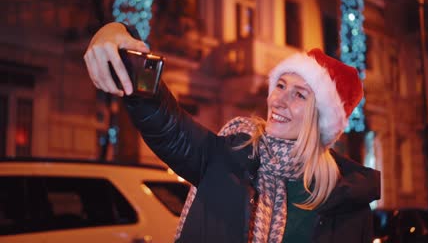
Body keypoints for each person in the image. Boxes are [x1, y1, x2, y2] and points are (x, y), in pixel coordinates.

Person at [84, 22, 380, 243]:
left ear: (322, 120)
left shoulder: (350, 205)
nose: (279, 100)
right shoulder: (228, 156)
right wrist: (116, 36)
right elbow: (165, 123)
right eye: (280, 86)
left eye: (300, 95)